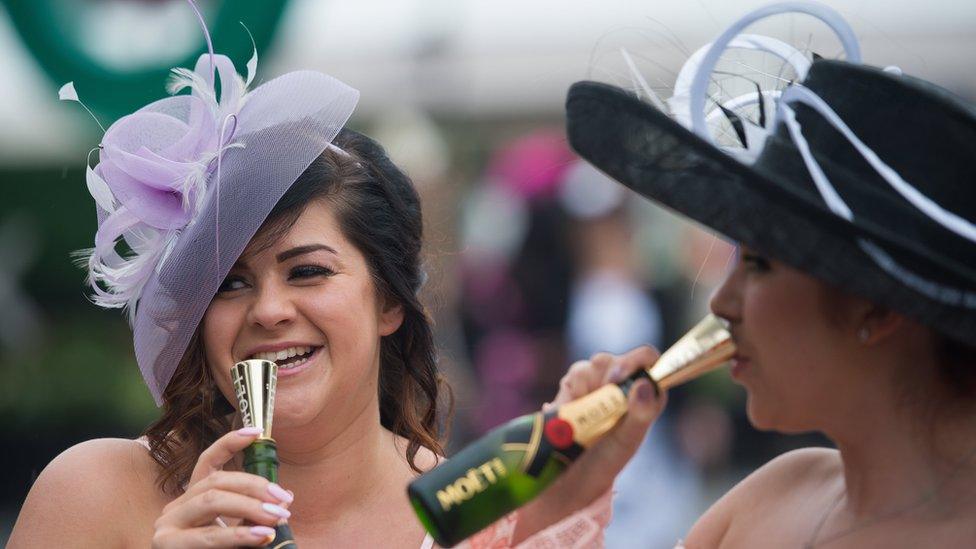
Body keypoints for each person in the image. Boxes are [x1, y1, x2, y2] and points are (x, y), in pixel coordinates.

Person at [7, 3, 609, 547]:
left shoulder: (480, 511)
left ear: (389, 303)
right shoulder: (96, 493)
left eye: (309, 272)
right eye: (230, 283)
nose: (269, 311)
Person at [524, 2, 976, 547]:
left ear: (875, 305)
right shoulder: (765, 504)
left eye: (759, 264)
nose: (721, 304)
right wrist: (563, 501)